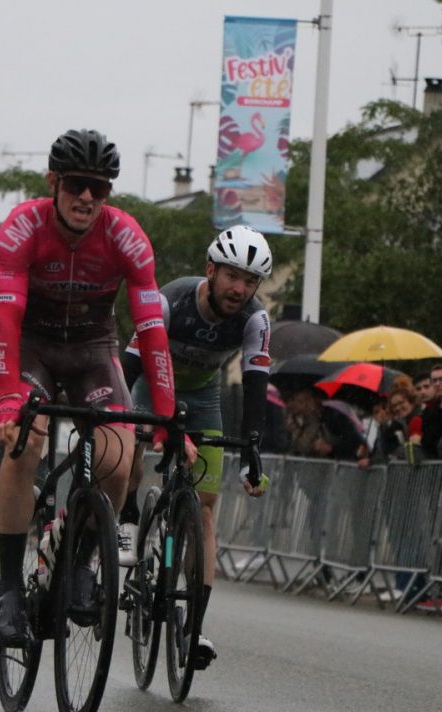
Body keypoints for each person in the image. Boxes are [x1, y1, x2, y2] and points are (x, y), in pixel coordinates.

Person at [0, 128, 191, 646]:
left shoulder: (126, 236)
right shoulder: (23, 226)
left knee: (119, 455)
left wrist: (166, 417)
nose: (86, 198)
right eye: (77, 184)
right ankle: (10, 587)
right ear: (53, 181)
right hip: (34, 345)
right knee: (25, 440)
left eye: (99, 188)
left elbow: (152, 332)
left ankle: (81, 561)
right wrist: (10, 398)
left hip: (94, 349)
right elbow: (5, 319)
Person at [118, 225, 272, 667]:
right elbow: (130, 367)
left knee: (204, 509)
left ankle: (195, 626)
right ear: (211, 270)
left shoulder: (255, 319)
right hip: (153, 382)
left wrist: (251, 450)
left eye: (251, 281)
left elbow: (257, 383)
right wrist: (119, 425)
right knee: (131, 447)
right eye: (232, 276)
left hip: (204, 397)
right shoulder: (171, 300)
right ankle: (128, 514)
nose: (240, 289)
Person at [284, 386, 365, 460]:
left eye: (307, 400)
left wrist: (331, 448)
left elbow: (356, 445)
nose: (304, 406)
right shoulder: (301, 420)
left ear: (316, 399)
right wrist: (295, 431)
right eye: (300, 402)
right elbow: (299, 449)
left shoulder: (333, 417)